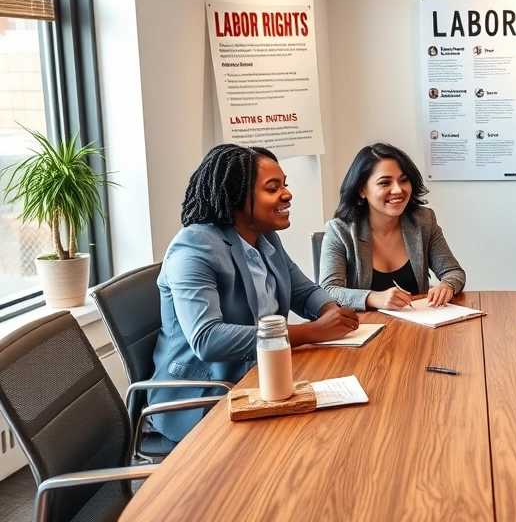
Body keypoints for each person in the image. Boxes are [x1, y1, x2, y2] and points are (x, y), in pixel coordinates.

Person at [150, 144, 360, 442]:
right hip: (208, 395)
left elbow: (303, 290)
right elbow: (207, 339)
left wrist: (328, 308)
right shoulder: (194, 247)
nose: (287, 194)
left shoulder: (264, 236)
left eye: (284, 185)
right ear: (237, 197)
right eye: (273, 188)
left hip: (262, 376)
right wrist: (310, 332)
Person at [320, 143, 466, 310]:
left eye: (403, 180)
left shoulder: (424, 221)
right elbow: (328, 291)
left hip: (420, 324)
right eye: (384, 183)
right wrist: (373, 298)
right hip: (364, 328)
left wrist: (446, 286)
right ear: (362, 190)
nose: (398, 190)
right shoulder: (340, 231)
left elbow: (454, 271)